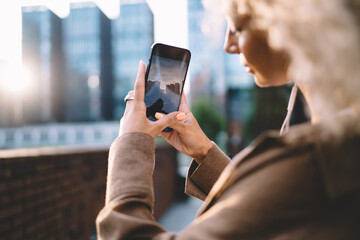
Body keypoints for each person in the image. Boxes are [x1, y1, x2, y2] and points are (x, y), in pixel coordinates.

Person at [96, 0, 360, 239]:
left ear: (294, 25)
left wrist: (131, 141)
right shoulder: (333, 133)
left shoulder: (318, 158)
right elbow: (267, 207)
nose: (228, 45)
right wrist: (204, 151)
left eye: (239, 27)